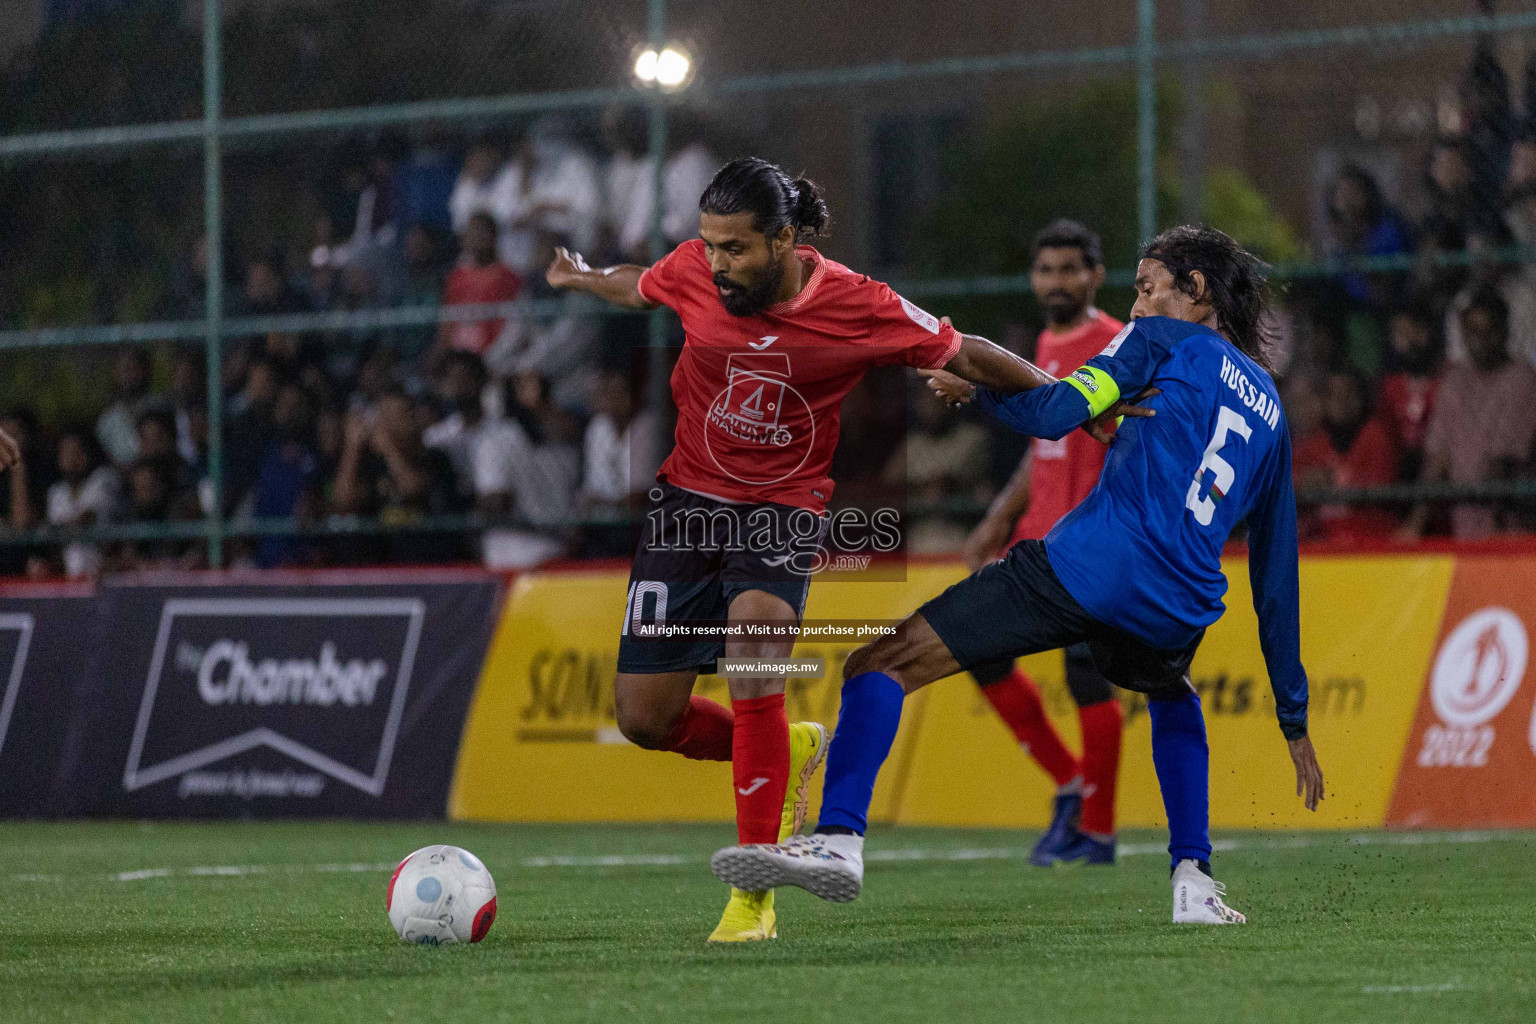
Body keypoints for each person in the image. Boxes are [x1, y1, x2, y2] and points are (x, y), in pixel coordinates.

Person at [544, 157, 1144, 942]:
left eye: (737, 249)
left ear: (785, 239)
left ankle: (752, 899)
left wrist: (1075, 407)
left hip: (782, 509)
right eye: (710, 245)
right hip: (687, 506)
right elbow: (643, 284)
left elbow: (965, 352)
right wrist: (586, 277)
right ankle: (783, 752)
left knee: (755, 649)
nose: (718, 264)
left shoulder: (859, 304)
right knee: (644, 719)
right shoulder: (694, 269)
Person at [710, 226, 1323, 928]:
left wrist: (975, 392)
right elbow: (1277, 575)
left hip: (1088, 567)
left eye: (1148, 288)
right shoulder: (1272, 409)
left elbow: (1059, 412)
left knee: (880, 663)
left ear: (1196, 291)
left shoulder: (1158, 341)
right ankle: (1196, 882)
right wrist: (1293, 715)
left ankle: (840, 841)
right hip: (1180, 601)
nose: (1137, 307)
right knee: (1169, 689)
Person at [959, 220, 1126, 866]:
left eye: (1070, 269)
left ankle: (1099, 832)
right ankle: (1070, 784)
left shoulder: (1116, 344)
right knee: (980, 650)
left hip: (1093, 545)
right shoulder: (1044, 345)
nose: (1057, 281)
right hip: (1038, 543)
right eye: (1046, 270)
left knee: (1088, 675)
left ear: (1094, 275)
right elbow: (1044, 446)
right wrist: (999, 517)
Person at [1399, 286, 1536, 541]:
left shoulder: (1523, 379)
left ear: (1505, 329)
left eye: (1489, 330)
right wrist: (1415, 524)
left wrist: (1496, 532)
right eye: (1472, 331)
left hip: (1512, 526)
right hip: (1462, 525)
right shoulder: (1455, 379)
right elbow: (1437, 458)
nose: (1480, 339)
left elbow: (1504, 462)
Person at [1291, 369, 1399, 543]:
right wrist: (1304, 480)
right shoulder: (1316, 441)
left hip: (1371, 538)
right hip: (1322, 540)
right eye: (1334, 395)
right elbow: (1284, 480)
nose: (1341, 401)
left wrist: (1335, 479)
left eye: (1348, 393)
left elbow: (1381, 484)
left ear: (1361, 397)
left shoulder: (1375, 435)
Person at [439, 212, 521, 358]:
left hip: (494, 350)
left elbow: (510, 322)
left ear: (494, 236)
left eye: (482, 231)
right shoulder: (456, 276)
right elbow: (447, 320)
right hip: (457, 352)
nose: (476, 237)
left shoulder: (507, 276)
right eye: (472, 232)